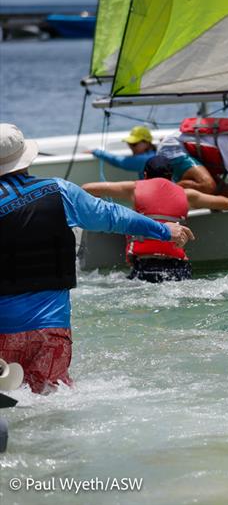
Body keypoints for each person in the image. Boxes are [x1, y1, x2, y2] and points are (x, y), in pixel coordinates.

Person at [0, 123, 194, 393]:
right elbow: (113, 216)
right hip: (51, 329)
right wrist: (164, 230)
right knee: (50, 400)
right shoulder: (60, 191)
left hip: (2, 334)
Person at [82, 156, 228, 282]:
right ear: (172, 177)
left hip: (144, 267)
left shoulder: (134, 188)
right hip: (178, 268)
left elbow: (88, 187)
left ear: (145, 175)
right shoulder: (187, 195)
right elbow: (227, 204)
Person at [87, 125, 156, 179]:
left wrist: (96, 151)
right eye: (129, 143)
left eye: (134, 144)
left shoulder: (145, 159)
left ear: (147, 143)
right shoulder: (154, 153)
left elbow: (119, 161)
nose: (131, 147)